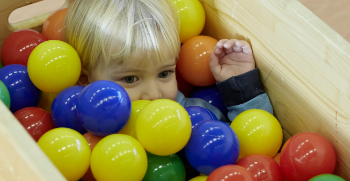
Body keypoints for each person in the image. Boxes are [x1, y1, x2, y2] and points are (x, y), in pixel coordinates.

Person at [64, 0, 273, 122]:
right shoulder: (76, 122)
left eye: (164, 74)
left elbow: (250, 140)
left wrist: (241, 85)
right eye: (130, 79)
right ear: (85, 79)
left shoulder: (194, 117)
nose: (154, 94)